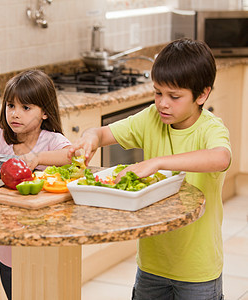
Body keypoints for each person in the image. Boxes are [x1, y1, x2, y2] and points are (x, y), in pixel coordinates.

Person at [65, 38, 232, 299]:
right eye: (158, 92)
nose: (163, 103)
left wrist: (157, 162)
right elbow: (100, 132)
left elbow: (220, 158)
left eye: (174, 96)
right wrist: (90, 138)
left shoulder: (211, 129)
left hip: (198, 269)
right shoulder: (151, 118)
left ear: (202, 95)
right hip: (152, 266)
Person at [0, 69, 72, 299]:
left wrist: (38, 158)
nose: (15, 114)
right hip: (7, 244)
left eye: (26, 108)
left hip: (44, 244)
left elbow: (72, 156)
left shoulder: (51, 140)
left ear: (45, 112)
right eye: (10, 106)